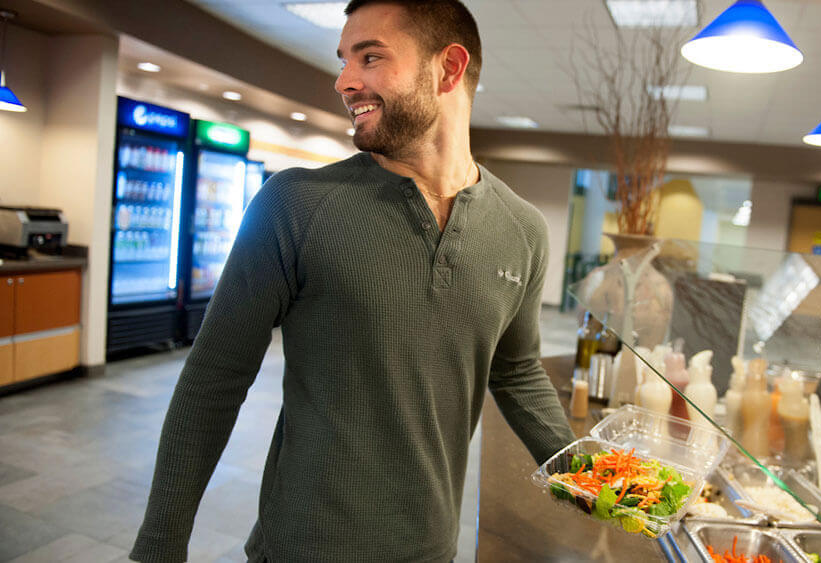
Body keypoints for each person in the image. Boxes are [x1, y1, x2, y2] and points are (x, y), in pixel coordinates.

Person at [129, 0, 576, 561]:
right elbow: (213, 379)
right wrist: (159, 545)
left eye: (370, 57)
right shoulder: (295, 204)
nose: (344, 81)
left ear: (449, 68)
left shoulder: (522, 230)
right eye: (343, 59)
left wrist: (585, 473)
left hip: (432, 546)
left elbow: (516, 370)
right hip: (301, 546)